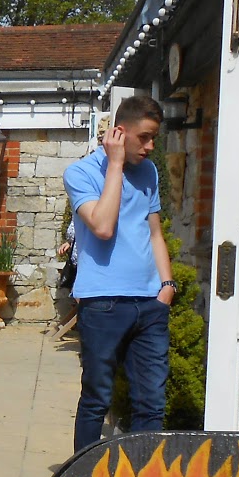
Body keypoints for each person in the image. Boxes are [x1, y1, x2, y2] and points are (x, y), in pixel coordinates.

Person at [63, 95, 174, 452]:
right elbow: (103, 226)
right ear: (119, 133)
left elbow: (153, 231)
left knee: (151, 403)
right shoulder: (80, 172)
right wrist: (114, 165)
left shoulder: (149, 172)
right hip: (103, 302)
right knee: (97, 396)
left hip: (150, 303)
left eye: (154, 137)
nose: (150, 146)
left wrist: (166, 285)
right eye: (144, 137)